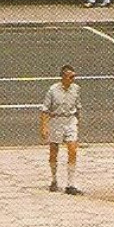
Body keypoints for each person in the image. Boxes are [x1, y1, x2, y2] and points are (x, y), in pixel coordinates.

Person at [40, 64, 83, 194]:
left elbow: (78, 106)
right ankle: (54, 179)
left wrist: (78, 121)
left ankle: (70, 184)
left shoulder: (76, 89)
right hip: (56, 121)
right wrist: (44, 127)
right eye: (70, 77)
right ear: (63, 77)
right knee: (54, 150)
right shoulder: (53, 90)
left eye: (74, 77)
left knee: (73, 150)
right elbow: (45, 110)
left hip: (70, 120)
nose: (73, 79)